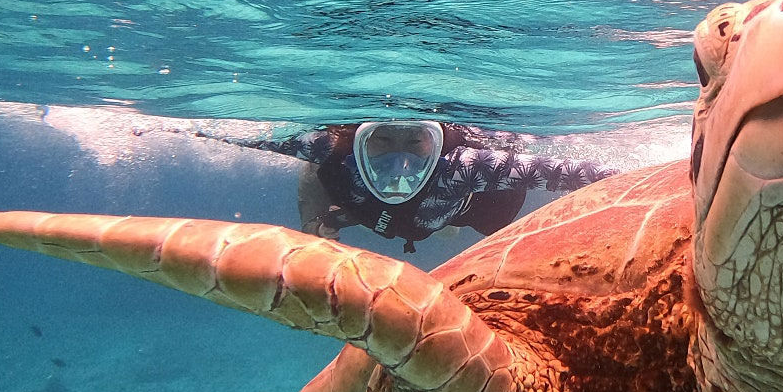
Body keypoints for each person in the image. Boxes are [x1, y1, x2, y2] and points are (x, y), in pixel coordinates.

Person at [235, 119, 618, 252]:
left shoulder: (463, 169)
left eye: (415, 144)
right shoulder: (334, 150)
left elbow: (568, 171)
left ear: (433, 143)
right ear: (360, 139)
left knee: (497, 227)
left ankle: (448, 225)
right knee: (325, 170)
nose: (399, 164)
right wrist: (312, 223)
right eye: (382, 141)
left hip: (470, 209)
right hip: (378, 214)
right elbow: (232, 134)